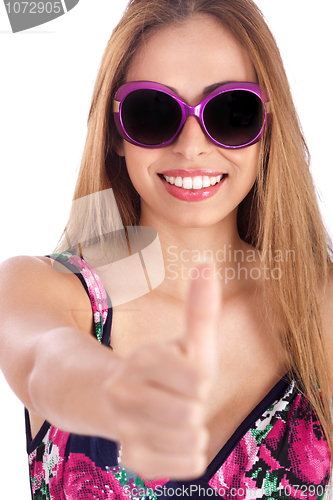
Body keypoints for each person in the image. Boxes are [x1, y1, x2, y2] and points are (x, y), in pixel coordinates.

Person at [1, 0, 333, 498]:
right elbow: (47, 361)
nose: (192, 145)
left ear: (268, 128)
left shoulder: (319, 304)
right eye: (154, 112)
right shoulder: (36, 288)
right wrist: (111, 390)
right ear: (116, 131)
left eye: (231, 111)